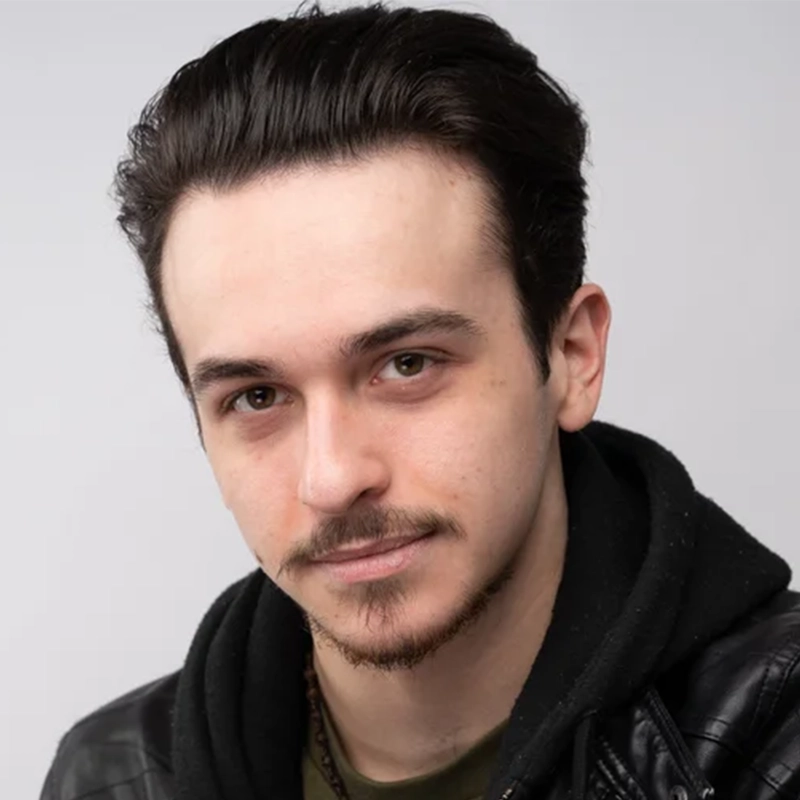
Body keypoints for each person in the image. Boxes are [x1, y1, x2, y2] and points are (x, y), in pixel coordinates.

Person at [41, 4, 800, 799]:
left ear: (572, 355)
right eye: (257, 395)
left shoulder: (771, 746)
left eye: (406, 365)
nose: (333, 479)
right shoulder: (113, 776)